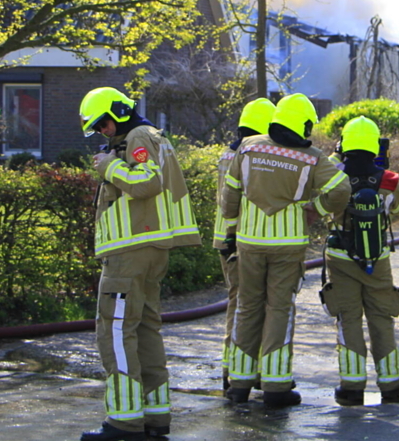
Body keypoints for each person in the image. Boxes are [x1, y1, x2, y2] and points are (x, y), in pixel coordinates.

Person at [78, 87, 202, 441]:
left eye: (103, 124)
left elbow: (147, 182)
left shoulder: (136, 135)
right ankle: (154, 417)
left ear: (118, 112)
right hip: (149, 249)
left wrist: (110, 167)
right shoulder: (146, 135)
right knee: (146, 330)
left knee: (115, 332)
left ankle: (123, 422)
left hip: (129, 254)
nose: (102, 132)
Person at [221, 93, 351, 407]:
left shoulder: (249, 147)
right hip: (288, 245)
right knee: (279, 309)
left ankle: (238, 384)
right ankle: (276, 387)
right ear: (303, 124)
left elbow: (230, 193)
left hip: (249, 242)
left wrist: (233, 222)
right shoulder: (312, 157)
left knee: (246, 308)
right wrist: (316, 208)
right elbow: (341, 189)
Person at [322, 117, 399, 406]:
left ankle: (351, 388)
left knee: (348, 319)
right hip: (378, 259)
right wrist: (382, 167)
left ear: (344, 143)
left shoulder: (334, 174)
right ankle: (392, 386)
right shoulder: (388, 180)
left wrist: (336, 157)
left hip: (340, 257)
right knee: (381, 319)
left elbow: (320, 203)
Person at [213, 97, 276, 392]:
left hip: (226, 240)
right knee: (250, 307)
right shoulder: (254, 157)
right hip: (243, 240)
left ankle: (236, 369)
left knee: (240, 305)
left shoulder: (229, 154)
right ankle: (246, 373)